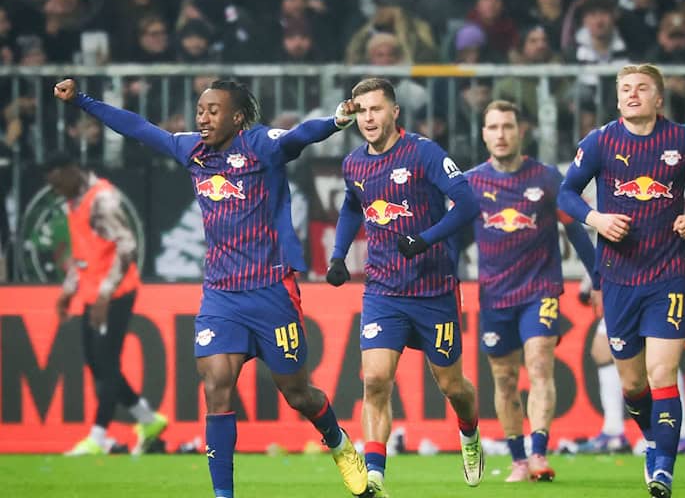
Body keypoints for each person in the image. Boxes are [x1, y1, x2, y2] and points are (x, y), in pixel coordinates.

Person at [53, 78, 368, 498]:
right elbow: (138, 128)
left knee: (297, 394)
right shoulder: (192, 150)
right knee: (216, 384)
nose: (203, 118)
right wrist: (83, 101)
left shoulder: (260, 145)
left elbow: (298, 136)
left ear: (237, 118)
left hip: (272, 289)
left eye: (213, 110)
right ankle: (223, 495)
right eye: (200, 110)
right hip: (220, 293)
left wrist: (335, 120)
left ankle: (339, 443)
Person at [558, 63, 685, 498]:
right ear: (617, 99)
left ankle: (663, 469)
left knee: (662, 371)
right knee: (633, 384)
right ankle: (651, 439)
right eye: (625, 89)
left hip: (667, 276)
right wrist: (597, 218)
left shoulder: (683, 139)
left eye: (641, 88)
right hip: (617, 279)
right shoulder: (600, 141)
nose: (632, 95)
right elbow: (565, 193)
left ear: (658, 97)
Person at [325, 77, 484, 498]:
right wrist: (339, 255)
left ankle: (469, 432)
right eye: (361, 111)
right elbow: (351, 205)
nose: (368, 118)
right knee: (375, 379)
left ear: (395, 112)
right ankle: (374, 474)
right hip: (383, 290)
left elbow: (468, 203)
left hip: (434, 290)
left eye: (376, 109)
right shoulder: (355, 164)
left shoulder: (424, 152)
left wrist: (425, 239)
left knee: (452, 386)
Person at [465, 100, 601, 482]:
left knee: (540, 364)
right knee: (504, 379)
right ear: (483, 135)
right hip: (494, 295)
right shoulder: (472, 184)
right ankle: (518, 460)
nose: (501, 134)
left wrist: (598, 280)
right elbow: (453, 239)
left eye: (508, 126)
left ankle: (539, 454)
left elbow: (575, 229)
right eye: (493, 128)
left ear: (520, 131)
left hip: (539, 289)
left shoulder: (546, 178)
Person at [44, 152, 167, 456]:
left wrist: (105, 294)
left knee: (107, 364)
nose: (58, 191)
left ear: (72, 171)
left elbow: (127, 246)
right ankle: (148, 420)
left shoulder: (103, 200)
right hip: (92, 292)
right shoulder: (74, 201)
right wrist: (68, 291)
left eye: (59, 184)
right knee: (97, 364)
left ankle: (98, 437)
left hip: (116, 292)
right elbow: (85, 254)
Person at [581, 321, 685, 455]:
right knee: (603, 350)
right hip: (622, 300)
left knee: (659, 352)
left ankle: (683, 433)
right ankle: (613, 431)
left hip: (646, 301)